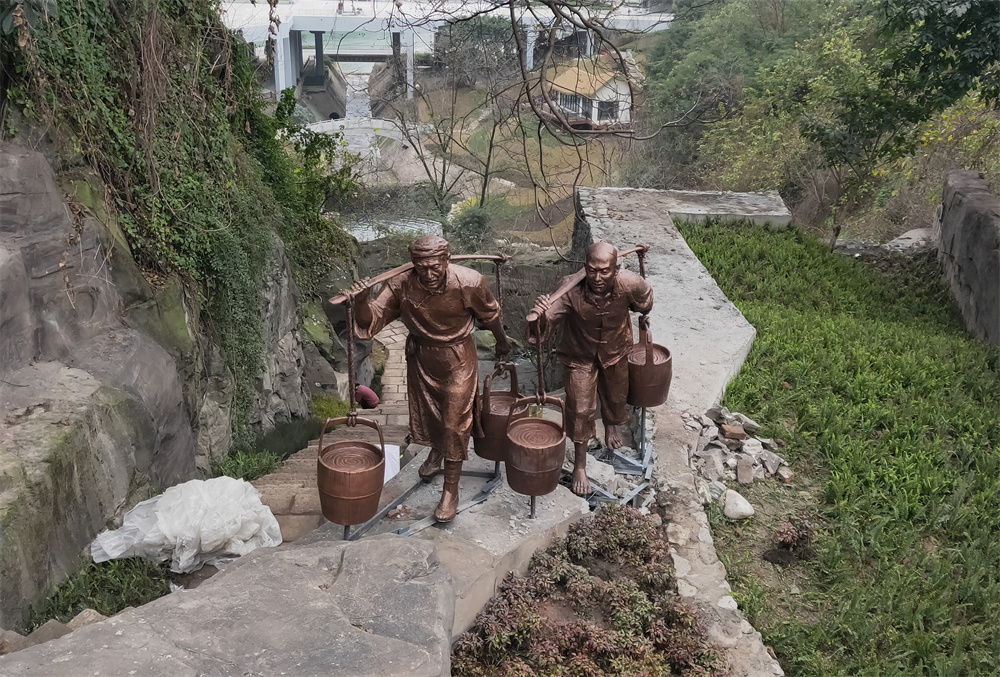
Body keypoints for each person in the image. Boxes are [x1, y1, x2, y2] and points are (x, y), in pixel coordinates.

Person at [348, 235, 510, 522]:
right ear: (413, 264)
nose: (428, 273)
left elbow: (492, 314)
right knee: (431, 415)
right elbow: (371, 321)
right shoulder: (401, 284)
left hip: (458, 358)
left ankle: (450, 490)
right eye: (421, 267)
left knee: (454, 422)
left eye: (434, 266)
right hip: (422, 358)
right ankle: (436, 452)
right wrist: (362, 300)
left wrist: (501, 343)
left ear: (446, 261)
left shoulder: (469, 282)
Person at [528, 241, 653, 495]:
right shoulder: (569, 290)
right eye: (592, 270)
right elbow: (544, 327)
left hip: (616, 349)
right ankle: (581, 466)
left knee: (616, 397)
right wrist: (539, 315)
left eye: (604, 271)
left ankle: (610, 424)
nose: (597, 277)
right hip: (579, 355)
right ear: (584, 267)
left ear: (616, 269)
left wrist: (644, 302)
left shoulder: (630, 283)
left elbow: (645, 303)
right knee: (580, 408)